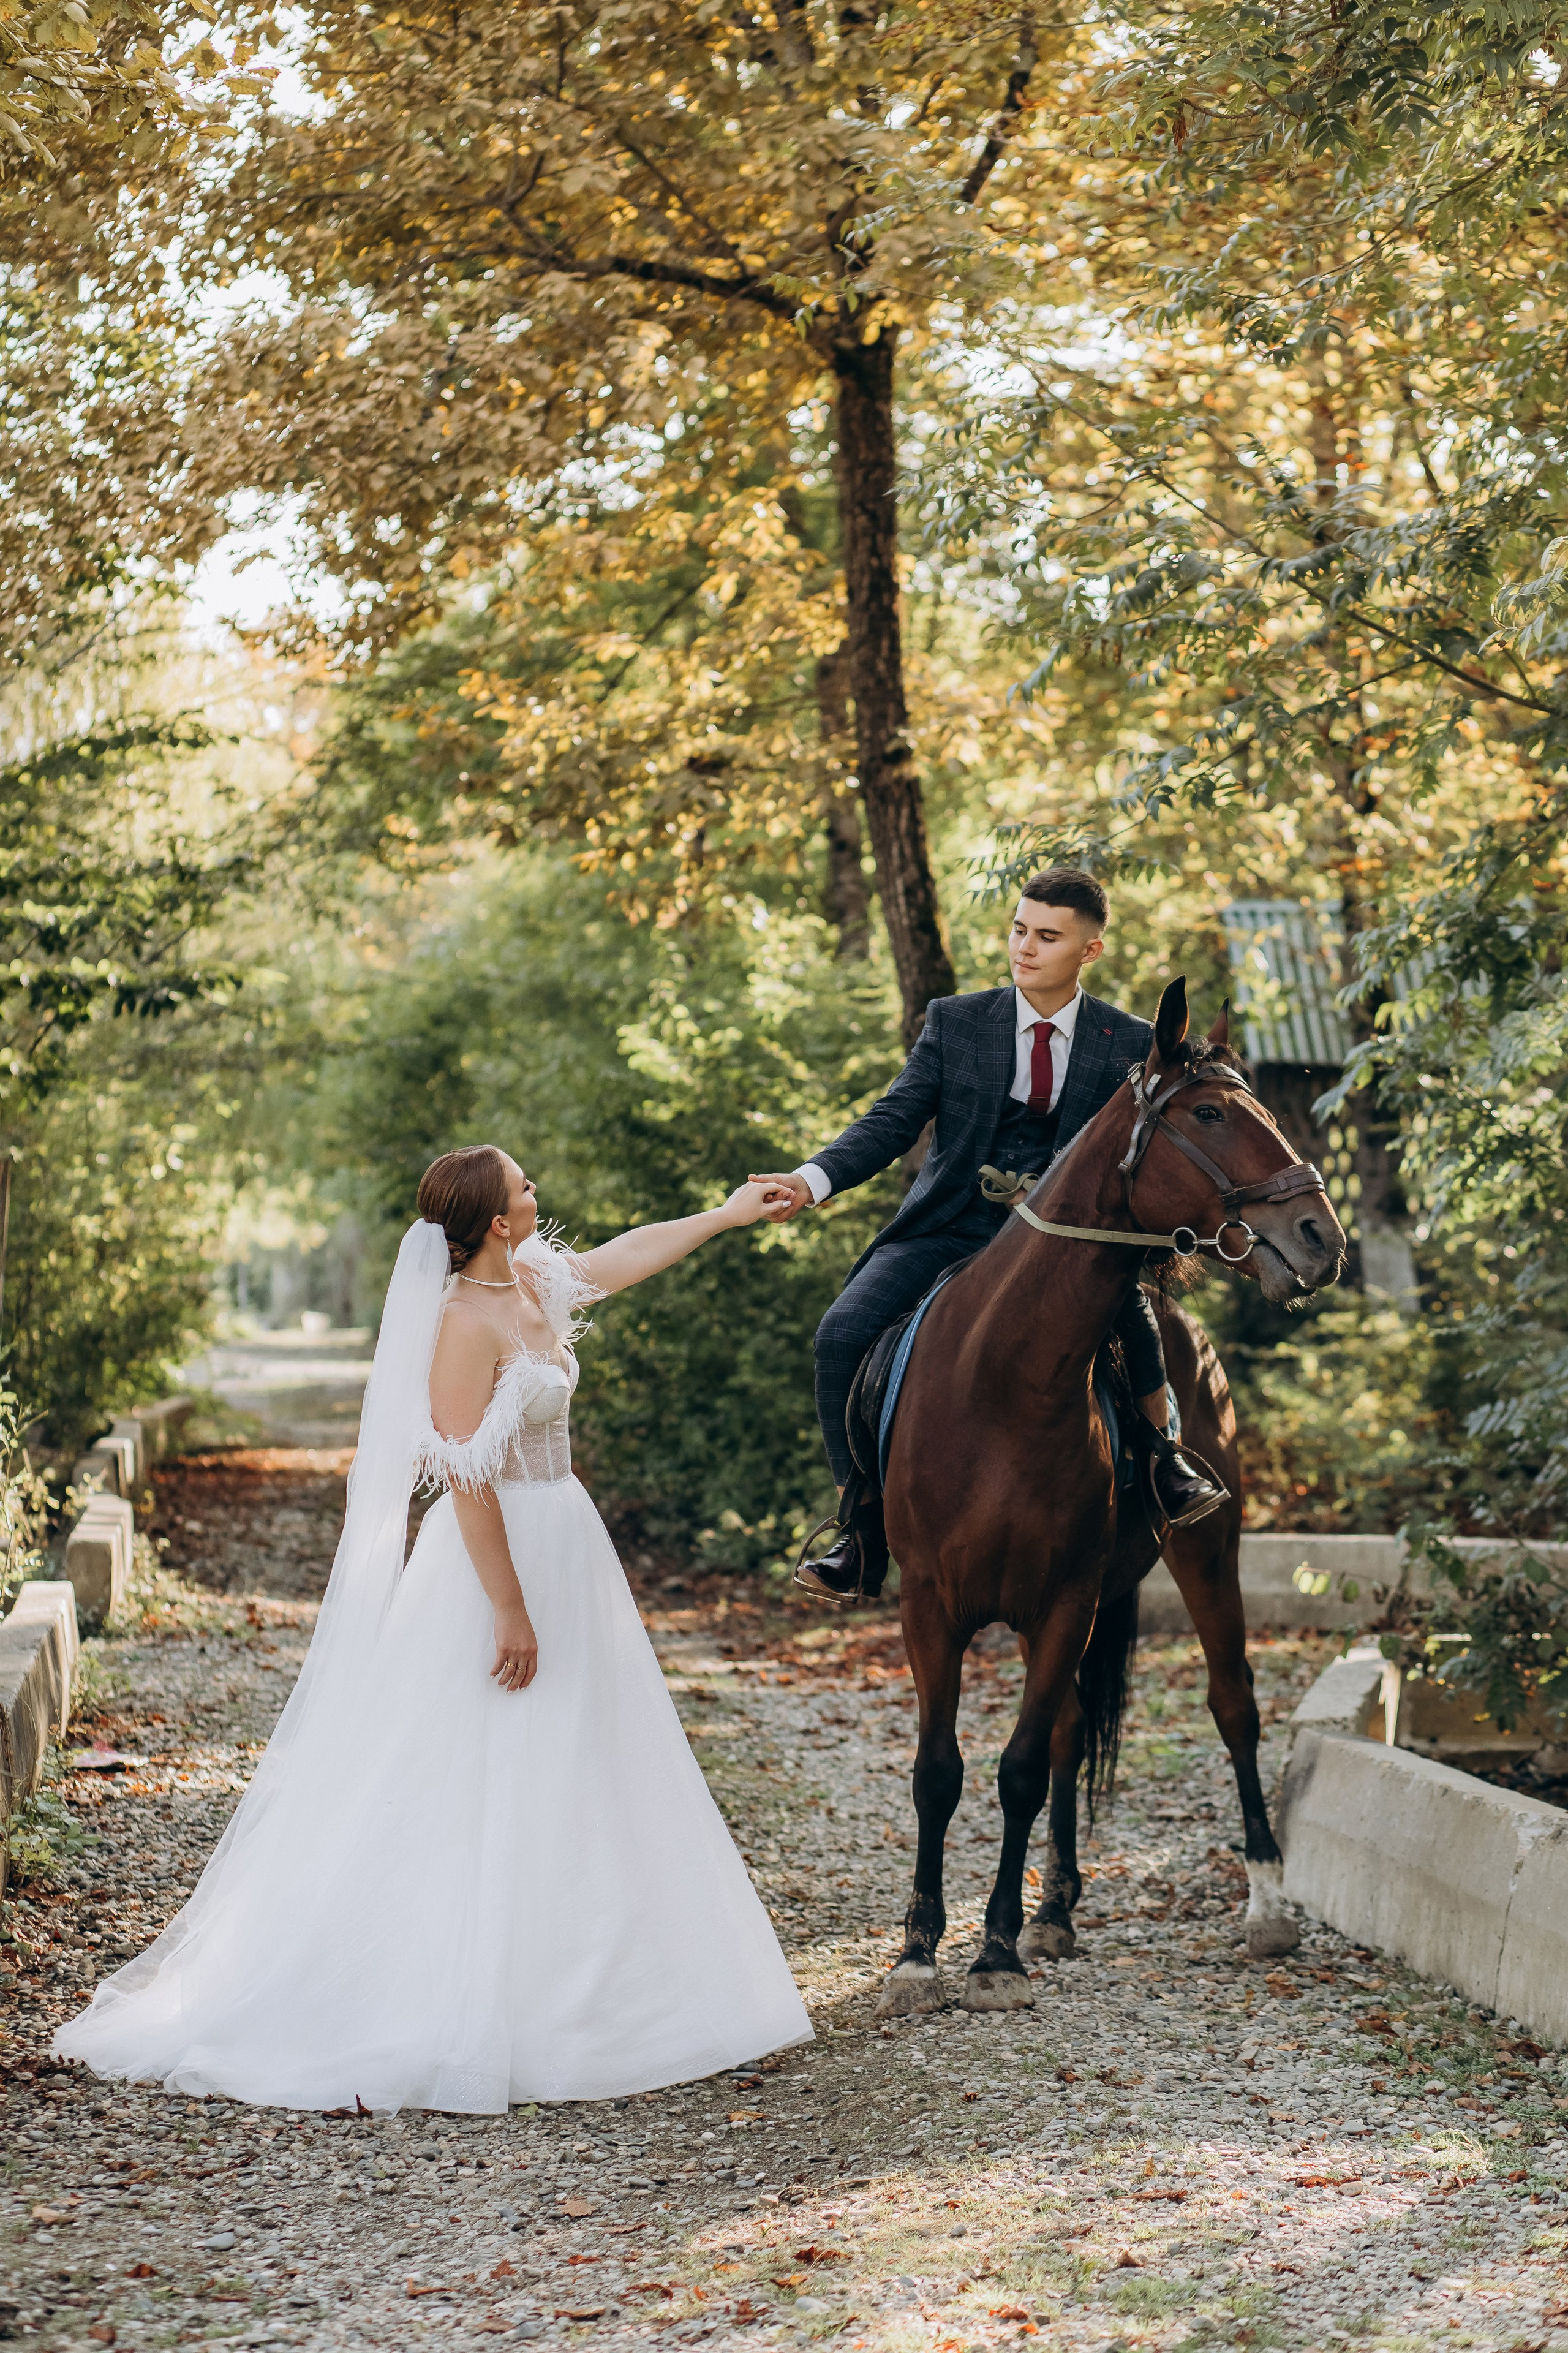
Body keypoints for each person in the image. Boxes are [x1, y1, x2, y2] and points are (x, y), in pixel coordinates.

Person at [55, 1149, 811, 2111]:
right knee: (473, 1755)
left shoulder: (536, 1278)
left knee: (586, 1751)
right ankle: (457, 1992)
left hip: (567, 1540)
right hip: (497, 1560)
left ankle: (601, 1982)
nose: (539, 1195)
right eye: (526, 1187)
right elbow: (467, 1478)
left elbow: (625, 1257)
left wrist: (726, 1214)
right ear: (495, 1219)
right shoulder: (461, 1322)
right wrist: (508, 1605)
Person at [751, 867, 1228, 1598]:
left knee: (1138, 1328)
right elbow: (893, 1119)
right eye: (1018, 929)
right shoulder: (955, 1020)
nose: (1024, 947)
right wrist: (809, 1179)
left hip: (1067, 1251)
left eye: (1046, 936)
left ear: (1089, 951)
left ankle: (1164, 1463)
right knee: (841, 1333)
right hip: (948, 1229)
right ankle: (861, 1528)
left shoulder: (1128, 1043)